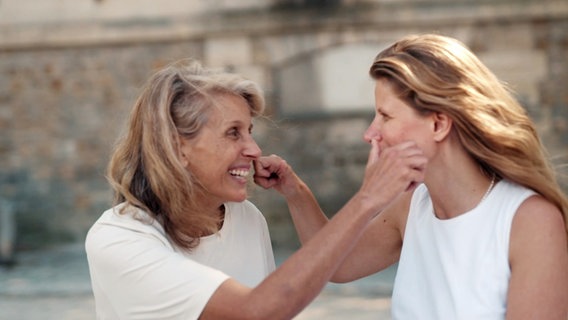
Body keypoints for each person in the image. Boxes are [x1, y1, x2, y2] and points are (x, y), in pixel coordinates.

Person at [85, 59, 427, 319]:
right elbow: (258, 311)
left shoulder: (246, 217)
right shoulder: (118, 240)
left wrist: (297, 193)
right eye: (233, 132)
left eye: (249, 130)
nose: (253, 149)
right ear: (177, 148)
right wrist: (367, 199)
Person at [257, 34, 568, 319]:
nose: (370, 133)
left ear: (438, 125)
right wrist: (295, 191)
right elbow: (336, 264)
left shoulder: (530, 220)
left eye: (386, 116)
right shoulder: (412, 205)